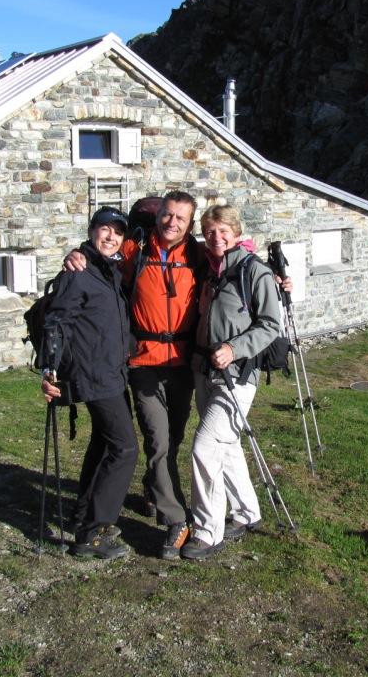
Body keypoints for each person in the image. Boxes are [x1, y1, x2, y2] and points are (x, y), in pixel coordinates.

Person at [65, 191, 202, 560]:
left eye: (180, 219)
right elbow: (100, 251)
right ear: (158, 215)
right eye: (167, 215)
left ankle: (154, 493)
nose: (171, 223)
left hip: (182, 363)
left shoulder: (198, 256)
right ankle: (177, 519)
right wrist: (77, 251)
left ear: (190, 225)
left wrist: (276, 283)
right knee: (156, 441)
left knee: (172, 440)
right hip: (143, 362)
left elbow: (232, 267)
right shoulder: (134, 250)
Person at [180, 204, 284, 560]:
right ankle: (246, 512)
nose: (216, 237)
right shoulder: (208, 270)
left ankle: (208, 532)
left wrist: (233, 348)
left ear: (237, 234)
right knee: (226, 445)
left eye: (224, 230)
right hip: (205, 370)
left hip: (237, 374)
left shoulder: (254, 271)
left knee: (205, 448)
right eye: (210, 231)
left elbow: (271, 324)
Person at [42, 206, 138, 559]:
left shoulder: (107, 270)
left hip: (112, 372)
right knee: (125, 449)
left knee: (102, 446)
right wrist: (48, 370)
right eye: (105, 230)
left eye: (118, 232)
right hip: (93, 375)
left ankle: (83, 517)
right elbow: (56, 322)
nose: (111, 237)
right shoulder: (78, 272)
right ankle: (92, 533)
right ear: (92, 230)